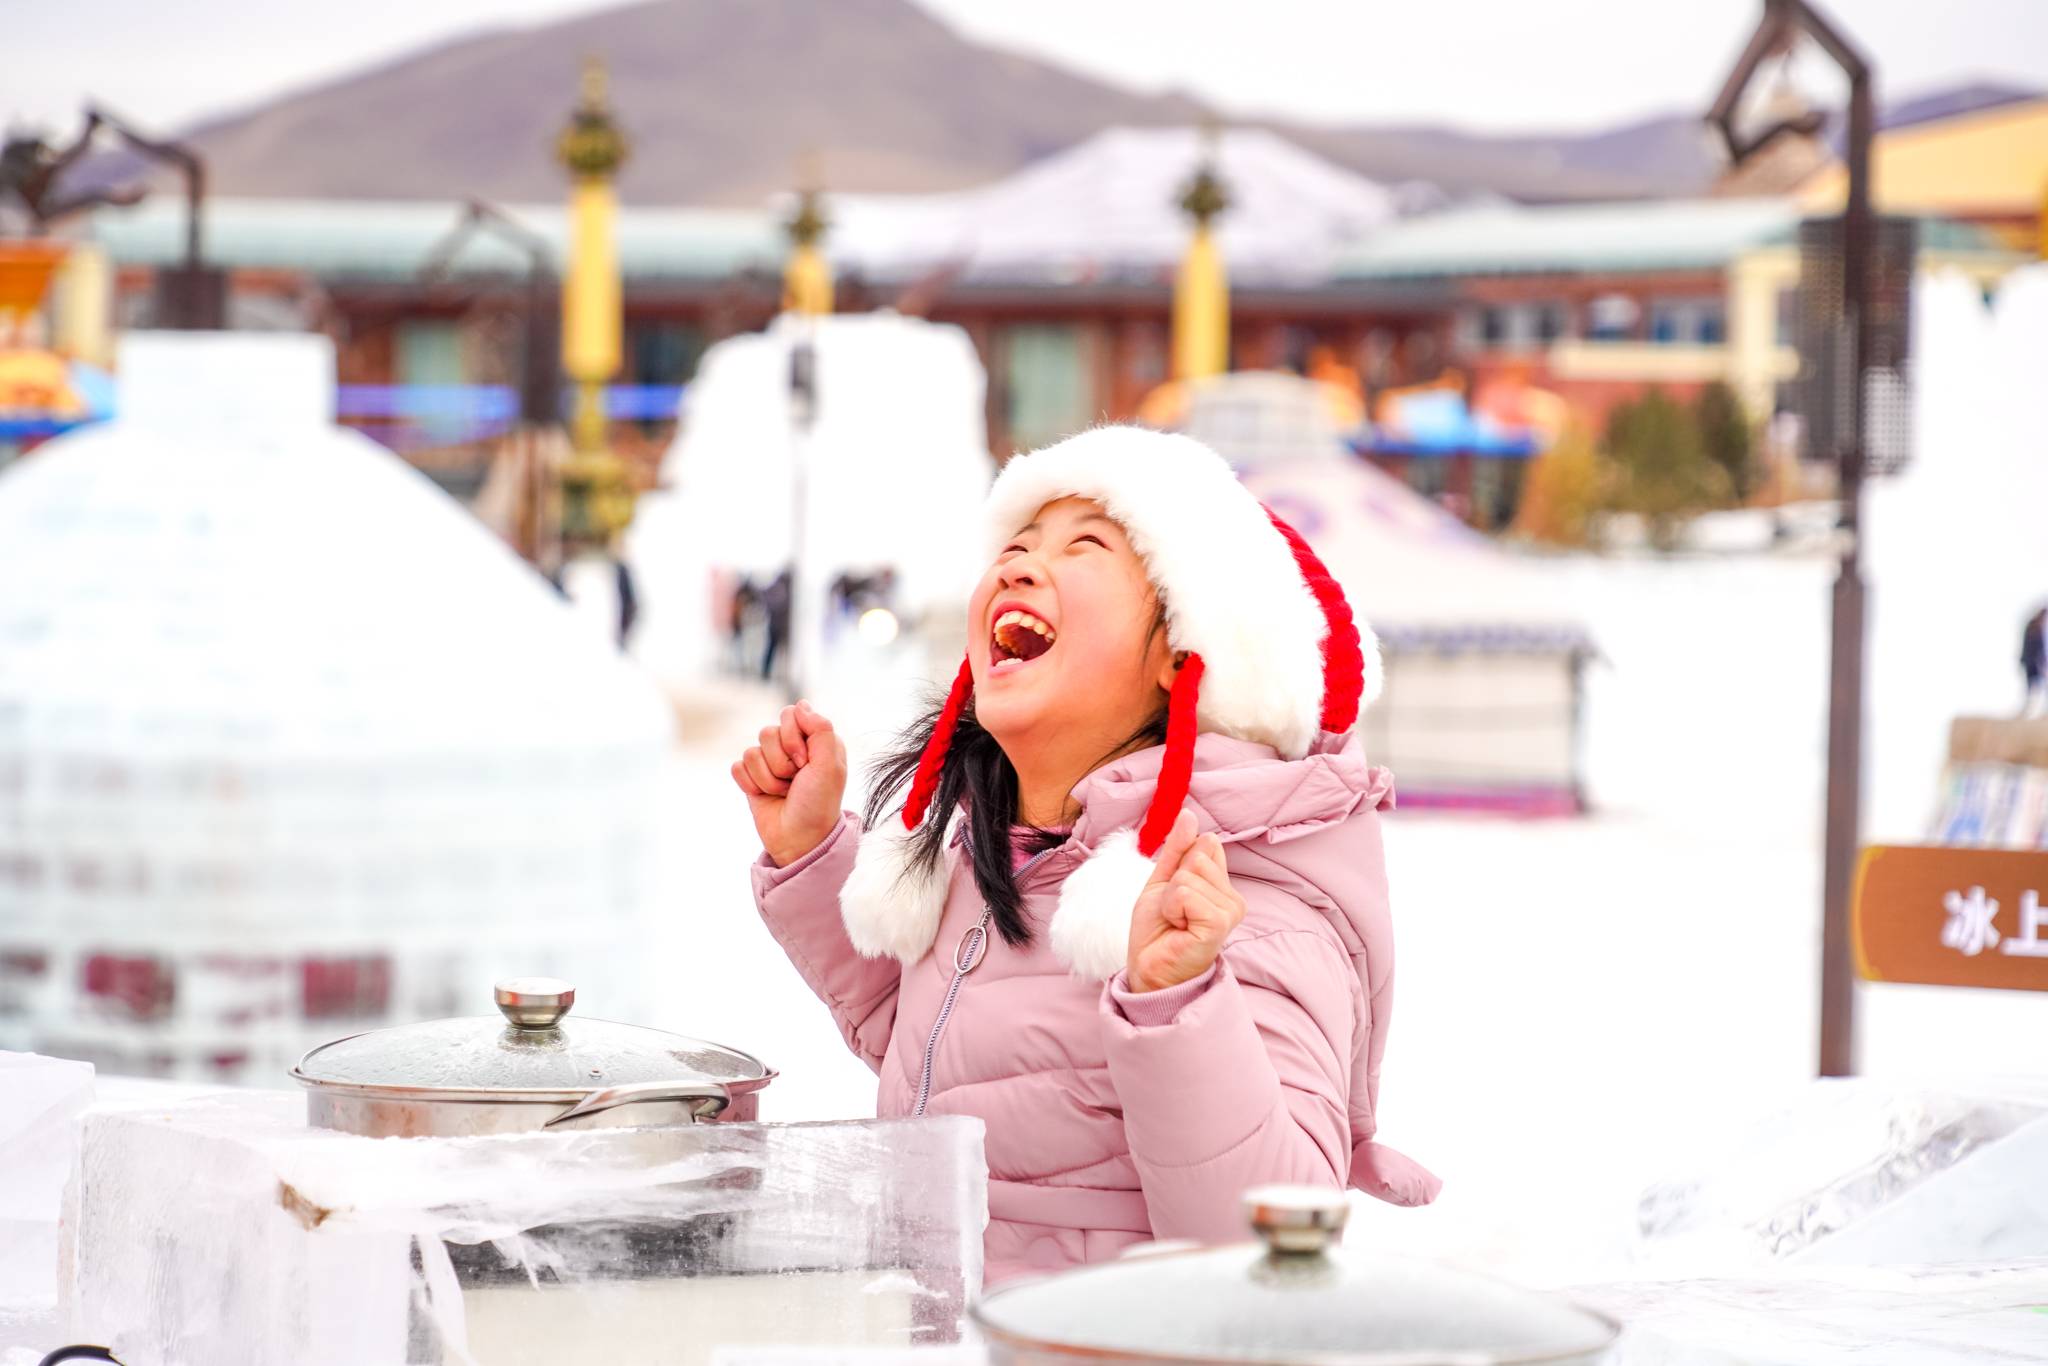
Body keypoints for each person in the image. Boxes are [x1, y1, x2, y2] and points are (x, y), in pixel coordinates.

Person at [733, 427, 1437, 1286]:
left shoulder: (1237, 900)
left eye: (1084, 547)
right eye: (1018, 544)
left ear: (1183, 656)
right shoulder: (1016, 852)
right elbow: (966, 1055)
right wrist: (812, 856)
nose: (1020, 567)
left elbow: (1274, 1248)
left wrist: (1177, 1002)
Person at [2024, 606, 2046, 718]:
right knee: (2032, 688)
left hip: (2033, 663)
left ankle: (2036, 712)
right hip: (2032, 663)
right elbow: (2033, 648)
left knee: (2036, 688)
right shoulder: (2034, 627)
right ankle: (2027, 712)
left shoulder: (2035, 626)